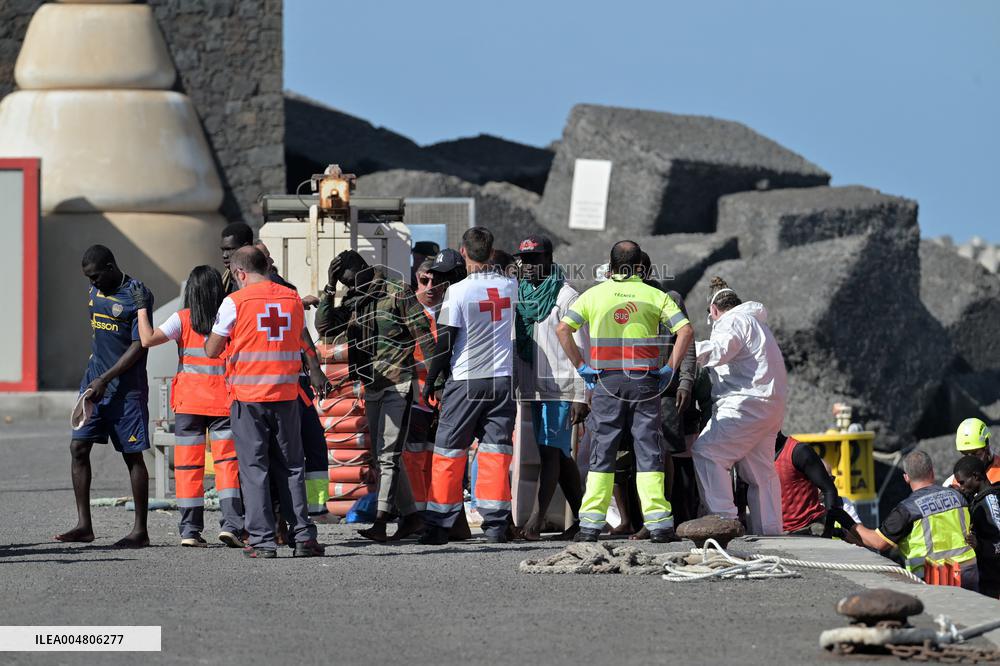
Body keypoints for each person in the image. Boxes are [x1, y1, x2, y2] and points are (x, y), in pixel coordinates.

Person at [556, 240, 693, 543]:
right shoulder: (654, 295)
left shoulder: (595, 294)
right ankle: (658, 523)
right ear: (639, 266)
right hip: (645, 381)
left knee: (602, 450)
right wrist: (670, 367)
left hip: (606, 382)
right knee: (648, 451)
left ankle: (590, 525)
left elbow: (563, 329)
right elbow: (685, 330)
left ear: (612, 264)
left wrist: (581, 366)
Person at [204, 246, 323, 558]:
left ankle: (262, 541)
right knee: (293, 466)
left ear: (241, 273)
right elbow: (300, 340)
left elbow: (212, 350)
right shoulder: (292, 299)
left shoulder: (235, 302)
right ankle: (303, 537)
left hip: (249, 399)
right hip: (286, 397)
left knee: (255, 469)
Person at [315, 250, 434, 542]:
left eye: (349, 279)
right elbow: (325, 327)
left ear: (365, 270)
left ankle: (382, 520)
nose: (349, 286)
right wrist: (330, 289)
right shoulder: (354, 300)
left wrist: (437, 380)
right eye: (343, 283)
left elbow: (424, 336)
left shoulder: (397, 292)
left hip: (399, 384)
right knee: (386, 458)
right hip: (372, 386)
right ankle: (412, 518)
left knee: (388, 456)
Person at [134, 266, 244, 548]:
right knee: (227, 467)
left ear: (190, 293)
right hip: (224, 403)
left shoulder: (181, 319)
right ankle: (232, 525)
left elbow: (147, 339)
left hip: (189, 405)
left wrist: (142, 309)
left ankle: (190, 531)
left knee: (188, 468)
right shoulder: (230, 318)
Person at [421, 228, 519, 545]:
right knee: (495, 453)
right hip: (503, 380)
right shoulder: (510, 285)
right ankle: (495, 526)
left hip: (466, 380)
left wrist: (431, 382)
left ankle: (438, 526)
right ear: (491, 253)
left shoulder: (459, 292)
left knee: (449, 452)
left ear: (463, 252)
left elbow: (445, 341)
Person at [56, 245, 153, 548]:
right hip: (94, 385)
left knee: (132, 456)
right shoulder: (94, 288)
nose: (93, 283)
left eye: (97, 276)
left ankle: (140, 531)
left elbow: (140, 346)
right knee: (78, 447)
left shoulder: (138, 294)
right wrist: (96, 380)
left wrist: (106, 378)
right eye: (89, 278)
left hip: (126, 390)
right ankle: (84, 525)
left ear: (111, 267)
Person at [693, 277, 787, 536]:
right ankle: (770, 531)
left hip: (746, 404)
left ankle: (724, 522)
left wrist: (682, 349)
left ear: (713, 311)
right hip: (770, 406)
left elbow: (720, 349)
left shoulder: (732, 320)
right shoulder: (758, 326)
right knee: (760, 473)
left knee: (707, 452)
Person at [513, 235, 588, 541]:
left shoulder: (566, 296)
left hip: (561, 388)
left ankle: (537, 520)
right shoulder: (521, 293)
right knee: (558, 454)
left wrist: (582, 395)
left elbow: (582, 347)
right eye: (524, 260)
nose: (528, 266)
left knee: (549, 454)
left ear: (548, 259)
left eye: (534, 259)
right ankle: (585, 520)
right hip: (534, 387)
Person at [253, 239, 332, 521]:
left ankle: (315, 508)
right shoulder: (242, 296)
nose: (271, 263)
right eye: (265, 259)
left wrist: (314, 367)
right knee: (274, 453)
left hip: (294, 384)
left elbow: (300, 332)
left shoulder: (286, 291)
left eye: (271, 259)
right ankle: (276, 518)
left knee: (312, 444)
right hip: (257, 388)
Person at [852, 451, 977, 589]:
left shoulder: (907, 509)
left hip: (934, 577)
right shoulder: (959, 496)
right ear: (932, 472)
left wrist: (851, 524)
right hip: (969, 571)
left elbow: (877, 542)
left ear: (906, 477)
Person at [774, 431, 855, 537]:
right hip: (774, 533)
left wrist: (828, 531)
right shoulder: (755, 456)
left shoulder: (799, 451)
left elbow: (829, 489)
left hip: (807, 529)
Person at [952, 456, 1000, 597]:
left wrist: (980, 545)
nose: (961, 487)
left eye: (962, 482)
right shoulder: (978, 500)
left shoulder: (990, 502)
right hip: (988, 578)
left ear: (976, 476)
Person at [943, 418, 1000, 487]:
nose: (970, 461)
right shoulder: (952, 483)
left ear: (986, 448)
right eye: (966, 454)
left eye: (975, 454)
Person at [220, 222, 255, 294]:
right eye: (223, 250)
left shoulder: (265, 280)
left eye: (229, 249)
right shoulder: (224, 282)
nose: (224, 255)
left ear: (246, 247)